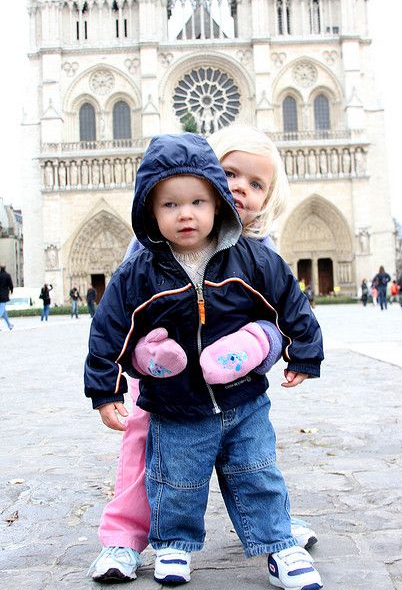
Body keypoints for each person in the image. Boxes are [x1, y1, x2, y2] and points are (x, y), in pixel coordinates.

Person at [85, 133, 324, 590]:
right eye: (229, 174)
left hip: (236, 388)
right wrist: (134, 361)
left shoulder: (258, 249)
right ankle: (129, 537)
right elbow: (118, 316)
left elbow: (288, 309)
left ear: (269, 198)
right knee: (151, 449)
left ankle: (275, 533)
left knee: (253, 461)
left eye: (255, 184)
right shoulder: (151, 249)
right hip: (167, 382)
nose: (239, 189)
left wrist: (269, 345)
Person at [0, 265, 14, 331]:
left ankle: (9, 325)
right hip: (4, 296)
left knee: (4, 312)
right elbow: (10, 284)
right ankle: (9, 325)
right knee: (1, 311)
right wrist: (11, 291)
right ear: (5, 268)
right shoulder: (7, 275)